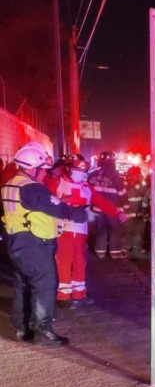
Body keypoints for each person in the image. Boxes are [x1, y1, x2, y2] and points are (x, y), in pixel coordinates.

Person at [0, 142, 89, 345]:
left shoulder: (12, 183)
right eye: (43, 170)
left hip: (18, 242)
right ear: (32, 168)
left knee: (23, 285)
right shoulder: (32, 189)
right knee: (45, 286)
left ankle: (23, 328)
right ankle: (43, 332)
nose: (45, 174)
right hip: (34, 244)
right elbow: (58, 208)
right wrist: (80, 214)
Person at [48, 155, 127, 308]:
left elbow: (102, 202)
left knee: (80, 262)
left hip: (81, 230)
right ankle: (63, 296)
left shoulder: (87, 188)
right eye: (77, 170)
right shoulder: (56, 183)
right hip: (63, 230)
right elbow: (46, 202)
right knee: (63, 262)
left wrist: (117, 212)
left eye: (83, 171)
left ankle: (79, 294)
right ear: (69, 169)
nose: (81, 174)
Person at [88, 150, 128, 258]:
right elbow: (122, 194)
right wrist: (125, 209)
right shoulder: (115, 176)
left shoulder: (92, 175)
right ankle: (115, 255)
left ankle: (100, 253)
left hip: (97, 210)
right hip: (112, 210)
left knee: (101, 232)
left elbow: (87, 192)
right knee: (115, 231)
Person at [122, 166, 148, 256]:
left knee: (139, 231)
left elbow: (146, 193)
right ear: (130, 175)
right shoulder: (125, 186)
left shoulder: (141, 185)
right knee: (128, 231)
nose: (138, 176)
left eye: (138, 174)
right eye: (137, 174)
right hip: (128, 214)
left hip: (139, 214)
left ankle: (137, 247)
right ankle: (126, 247)